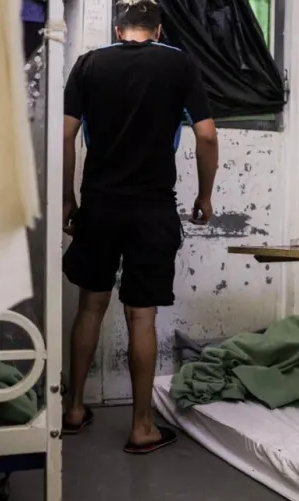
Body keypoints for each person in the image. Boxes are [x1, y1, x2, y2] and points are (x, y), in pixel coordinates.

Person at [60, 0, 219, 454]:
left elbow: (65, 135)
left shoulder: (89, 63)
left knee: (90, 305)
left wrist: (69, 197)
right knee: (141, 315)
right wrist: (204, 195)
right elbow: (206, 135)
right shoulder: (179, 63)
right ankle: (142, 426)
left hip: (100, 206)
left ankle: (73, 408)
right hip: (152, 208)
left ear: (117, 28)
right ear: (159, 29)